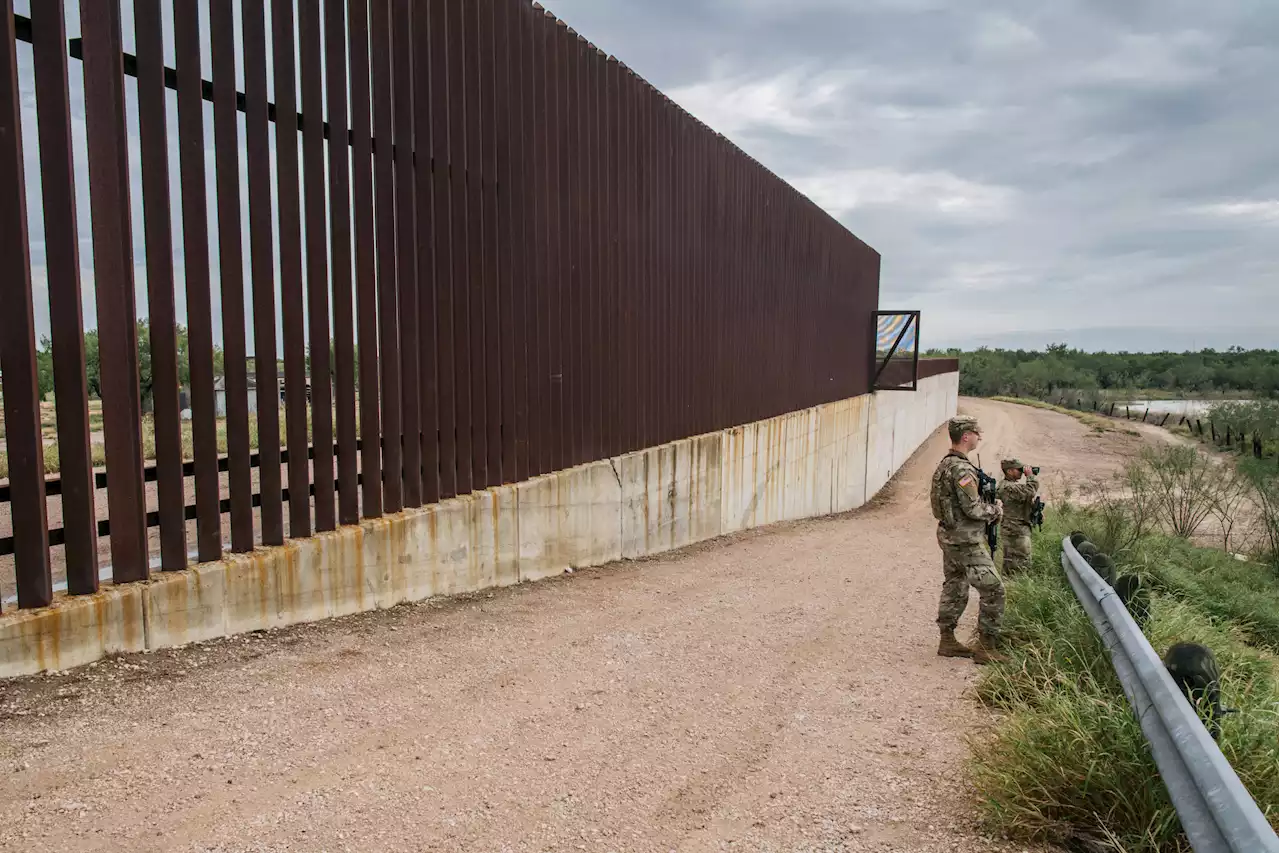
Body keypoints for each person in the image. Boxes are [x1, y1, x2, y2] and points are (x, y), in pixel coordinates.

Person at [929, 415, 1007, 664]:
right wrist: (995, 510)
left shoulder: (944, 465)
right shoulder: (962, 469)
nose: (979, 437)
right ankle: (986, 647)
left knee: (956, 584)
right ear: (965, 436)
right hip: (966, 540)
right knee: (994, 589)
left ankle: (947, 640)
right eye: (976, 433)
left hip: (949, 535)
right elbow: (973, 509)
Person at [997, 460, 1039, 576]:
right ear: (1009, 471)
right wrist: (1030, 476)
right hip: (1016, 532)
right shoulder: (1008, 487)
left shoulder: (1008, 485)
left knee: (1011, 563)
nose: (1022, 472)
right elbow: (1031, 491)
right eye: (1018, 469)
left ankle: (1009, 587)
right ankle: (1016, 587)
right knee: (1021, 565)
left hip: (1013, 530)